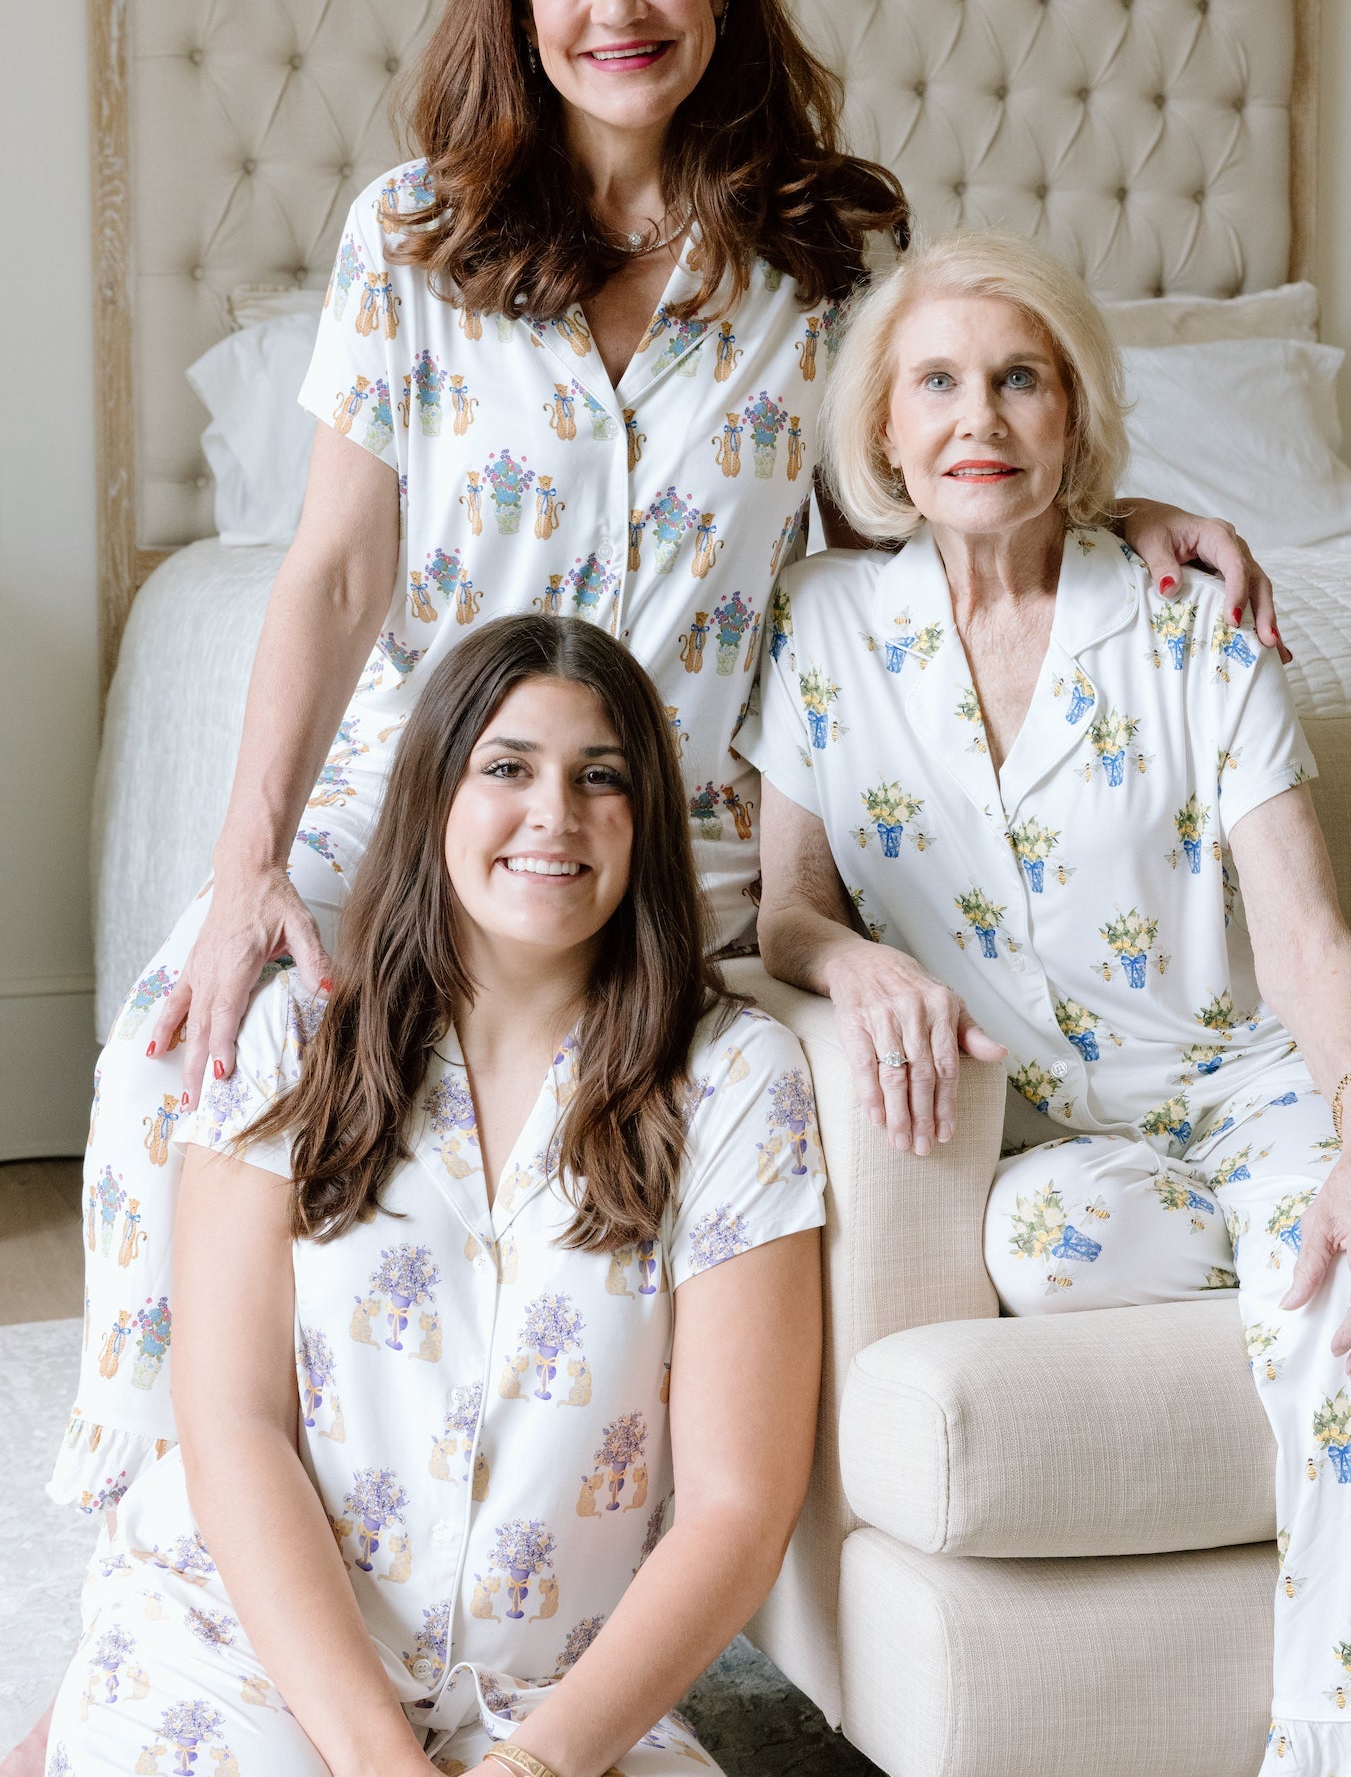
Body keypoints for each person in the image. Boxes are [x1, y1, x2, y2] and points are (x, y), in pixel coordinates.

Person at [55, 0, 1266, 1540]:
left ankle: (551, 1586)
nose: (614, 3)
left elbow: (911, 492)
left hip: (680, 829)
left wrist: (1117, 510)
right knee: (188, 1037)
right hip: (419, 801)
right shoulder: (413, 236)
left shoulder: (829, 252)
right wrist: (245, 867)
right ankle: (160, 1571)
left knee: (670, 1116)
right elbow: (329, 573)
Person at [738, 231, 1351, 1777]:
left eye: (1022, 379)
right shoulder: (827, 625)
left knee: (1343, 1291)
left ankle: (1344, 1740)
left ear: (1076, 416)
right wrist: (856, 959)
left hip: (1243, 1082)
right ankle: (1270, 1236)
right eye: (942, 384)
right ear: (888, 431)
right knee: (1045, 1244)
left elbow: (1306, 928)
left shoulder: (1189, 619)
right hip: (1050, 1140)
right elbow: (784, 905)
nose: (982, 417)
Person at [45, 614, 823, 1777]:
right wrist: (376, 1760)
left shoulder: (733, 1078)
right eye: (505, 767)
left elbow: (736, 1503)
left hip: (549, 1699)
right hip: (252, 1643)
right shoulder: (294, 1036)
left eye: (597, 776)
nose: (552, 811)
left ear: (644, 817)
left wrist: (535, 1764)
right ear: (433, 798)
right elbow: (232, 1419)